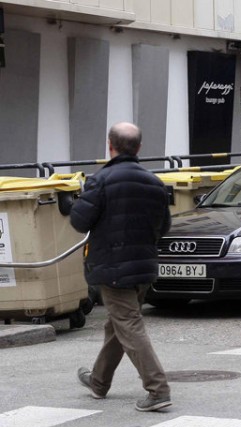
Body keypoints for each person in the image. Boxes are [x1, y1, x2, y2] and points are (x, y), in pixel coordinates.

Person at [70, 122, 173, 412]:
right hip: (143, 266)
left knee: (127, 324)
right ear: (139, 147)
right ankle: (99, 382)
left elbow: (79, 222)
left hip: (112, 267)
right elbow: (164, 226)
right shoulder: (154, 182)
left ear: (110, 146)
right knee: (117, 324)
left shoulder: (101, 180)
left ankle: (158, 389)